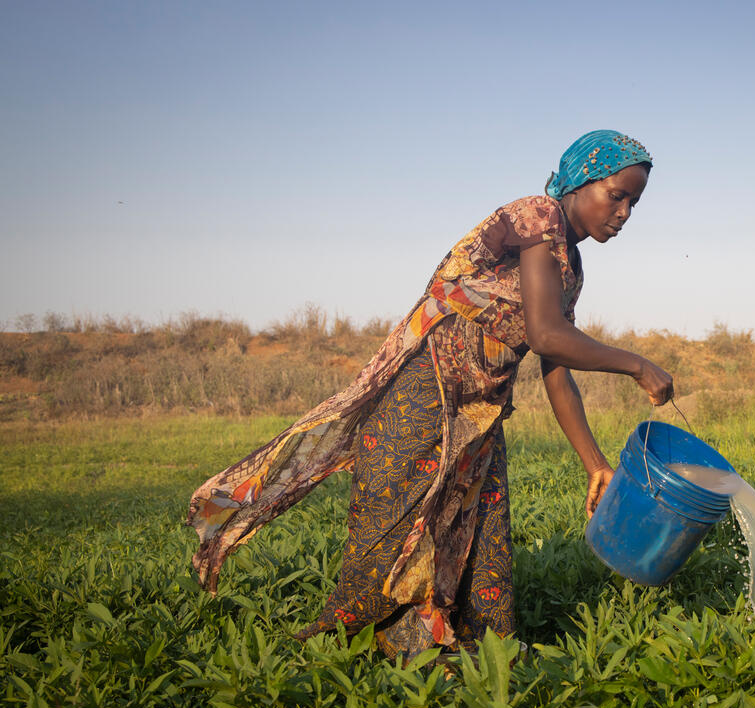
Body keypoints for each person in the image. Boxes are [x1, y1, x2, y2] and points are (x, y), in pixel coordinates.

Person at [186, 130, 674, 660]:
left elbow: (557, 367)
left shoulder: (569, 268)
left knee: (478, 526)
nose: (624, 212)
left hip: (477, 408)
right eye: (617, 195)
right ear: (580, 181)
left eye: (634, 203)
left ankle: (485, 651)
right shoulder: (539, 215)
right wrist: (637, 364)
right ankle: (347, 650)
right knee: (393, 520)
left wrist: (594, 463)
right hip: (424, 387)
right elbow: (546, 335)